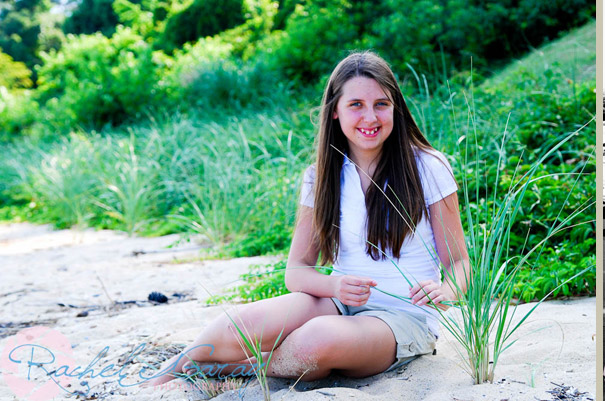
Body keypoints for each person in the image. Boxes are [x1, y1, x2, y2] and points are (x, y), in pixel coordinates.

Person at [144, 51, 470, 386]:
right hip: (337, 302)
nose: (370, 117)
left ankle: (229, 368)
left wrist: (446, 290)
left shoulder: (428, 166)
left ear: (396, 109)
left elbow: (460, 263)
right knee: (243, 324)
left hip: (404, 319)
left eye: (381, 104)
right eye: (356, 104)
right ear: (335, 112)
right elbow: (297, 272)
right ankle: (171, 371)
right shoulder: (321, 177)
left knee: (315, 341)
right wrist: (334, 285)